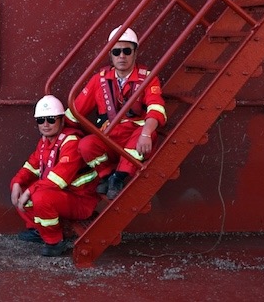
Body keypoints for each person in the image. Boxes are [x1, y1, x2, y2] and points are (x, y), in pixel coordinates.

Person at [64, 26, 166, 200]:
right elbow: (75, 113)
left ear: (135, 53)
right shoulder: (99, 79)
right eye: (116, 51)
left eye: (127, 50)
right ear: (110, 54)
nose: (122, 56)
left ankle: (119, 177)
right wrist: (60, 134)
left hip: (135, 138)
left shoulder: (148, 77)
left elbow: (156, 108)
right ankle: (106, 175)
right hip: (109, 139)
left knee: (140, 134)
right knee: (85, 144)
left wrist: (147, 133)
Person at [10, 94, 99, 257]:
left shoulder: (71, 141)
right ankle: (39, 229)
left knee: (40, 197)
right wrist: (17, 182)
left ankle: (54, 242)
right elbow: (32, 165)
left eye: (51, 119)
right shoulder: (45, 141)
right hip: (62, 196)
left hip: (80, 201)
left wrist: (30, 191)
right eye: (41, 120)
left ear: (62, 120)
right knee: (20, 187)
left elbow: (58, 179)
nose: (45, 124)